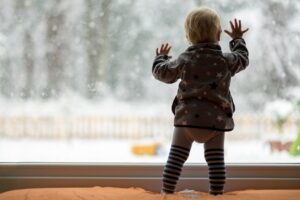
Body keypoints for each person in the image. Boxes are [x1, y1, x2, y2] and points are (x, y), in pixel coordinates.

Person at [152, 7, 249, 195]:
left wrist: (160, 58)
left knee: (175, 159)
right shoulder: (224, 60)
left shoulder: (185, 59)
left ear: (188, 37)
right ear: (219, 35)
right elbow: (243, 59)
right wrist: (237, 39)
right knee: (216, 162)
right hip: (215, 122)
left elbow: (162, 73)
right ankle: (216, 194)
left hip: (187, 121)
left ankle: (167, 192)